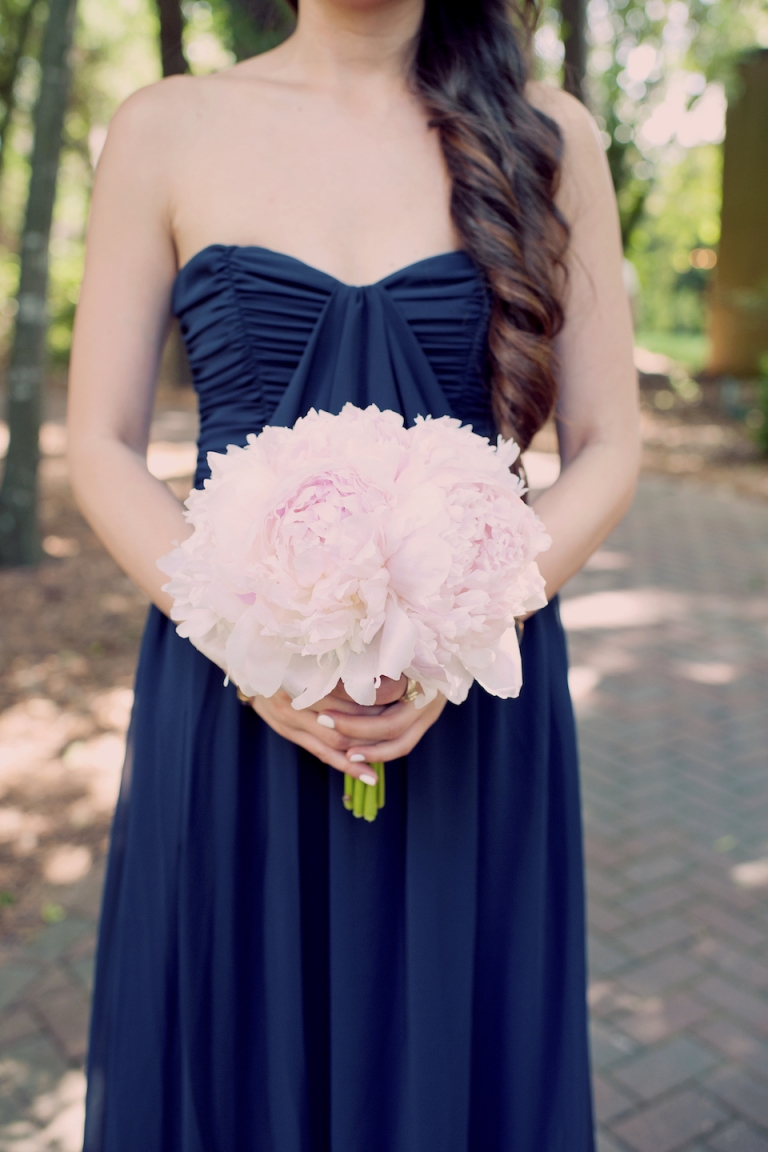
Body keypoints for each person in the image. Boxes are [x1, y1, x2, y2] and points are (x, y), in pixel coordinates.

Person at [67, 0, 639, 1148]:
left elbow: (611, 447)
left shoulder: (548, 134)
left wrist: (456, 632)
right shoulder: (165, 126)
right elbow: (98, 445)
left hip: (469, 699)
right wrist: (250, 642)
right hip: (233, 691)